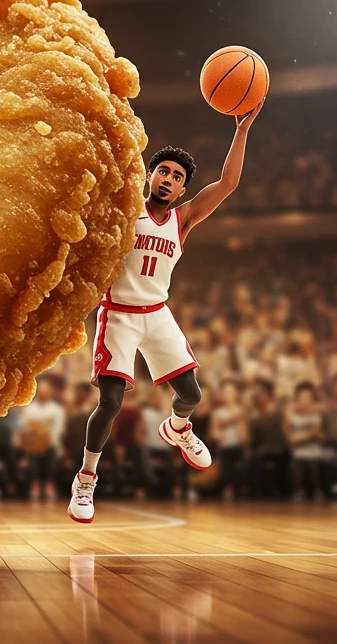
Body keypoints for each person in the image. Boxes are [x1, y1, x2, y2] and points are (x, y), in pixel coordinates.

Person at [71, 103, 263, 522]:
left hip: (157, 313)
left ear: (181, 191)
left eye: (177, 177)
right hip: (118, 312)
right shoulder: (125, 209)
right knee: (111, 402)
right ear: (149, 176)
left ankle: (177, 429)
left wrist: (243, 127)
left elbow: (228, 183)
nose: (169, 179)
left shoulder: (184, 218)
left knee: (192, 394)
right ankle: (86, 480)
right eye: (164, 171)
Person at [18, 374, 66, 503]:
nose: (43, 393)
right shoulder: (29, 409)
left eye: (46, 390)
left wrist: (46, 440)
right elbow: (24, 429)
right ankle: (35, 484)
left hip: (51, 444)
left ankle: (49, 483)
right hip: (32, 445)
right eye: (41, 390)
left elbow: (58, 430)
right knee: (33, 453)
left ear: (51, 392)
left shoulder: (57, 410)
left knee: (52, 452)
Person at [285, 382, 327, 500]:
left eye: (308, 397)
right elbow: (291, 438)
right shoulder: (291, 413)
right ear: (297, 398)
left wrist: (314, 433)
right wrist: (308, 434)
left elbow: (322, 436)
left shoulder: (318, 413)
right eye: (302, 397)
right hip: (299, 449)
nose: (305, 399)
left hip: (315, 449)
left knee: (314, 463)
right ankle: (299, 491)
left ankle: (318, 491)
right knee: (296, 464)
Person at [211, 379, 248, 500]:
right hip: (224, 447)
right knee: (225, 462)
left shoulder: (241, 411)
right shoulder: (217, 413)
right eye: (226, 392)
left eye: (231, 392)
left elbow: (245, 435)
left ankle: (239, 489)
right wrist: (219, 435)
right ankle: (228, 488)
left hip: (237, 446)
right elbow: (213, 433)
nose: (229, 395)